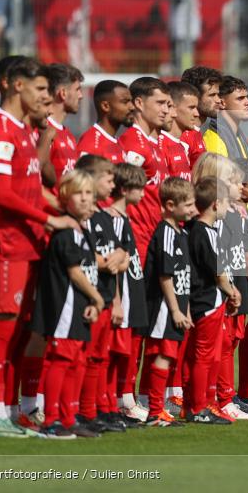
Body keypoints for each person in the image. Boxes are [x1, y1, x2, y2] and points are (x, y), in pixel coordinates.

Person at [0, 57, 77, 438]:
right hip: (5, 243)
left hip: (28, 242)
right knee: (0, 329)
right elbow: (2, 195)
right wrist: (50, 218)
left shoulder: (22, 131)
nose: (45, 99)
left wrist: (69, 212)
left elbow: (32, 190)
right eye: (40, 91)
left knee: (19, 331)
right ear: (17, 86)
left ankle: (10, 410)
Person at [32, 170, 104, 440]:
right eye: (78, 193)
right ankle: (51, 421)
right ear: (64, 197)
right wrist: (96, 297)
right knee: (60, 361)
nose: (85, 199)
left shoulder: (82, 230)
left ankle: (68, 418)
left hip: (80, 305)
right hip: (65, 305)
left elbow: (89, 270)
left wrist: (93, 302)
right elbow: (75, 273)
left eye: (89, 193)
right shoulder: (67, 231)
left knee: (76, 362)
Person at [75, 155, 129, 434]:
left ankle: (92, 410)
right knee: (85, 357)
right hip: (89, 299)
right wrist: (111, 259)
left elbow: (121, 255)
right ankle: (81, 412)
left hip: (107, 298)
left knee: (99, 357)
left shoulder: (104, 216)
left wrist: (119, 258)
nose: (113, 183)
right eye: (108, 178)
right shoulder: (82, 219)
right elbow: (88, 256)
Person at [182, 177, 240, 424]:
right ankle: (197, 407)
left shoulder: (206, 230)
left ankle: (204, 403)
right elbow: (215, 271)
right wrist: (231, 291)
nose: (229, 207)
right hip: (205, 301)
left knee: (211, 356)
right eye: (226, 202)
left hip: (213, 301)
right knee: (203, 356)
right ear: (216, 204)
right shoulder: (201, 231)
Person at [142, 177, 197, 427]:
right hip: (164, 307)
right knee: (162, 355)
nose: (192, 209)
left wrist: (185, 309)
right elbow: (165, 275)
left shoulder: (182, 232)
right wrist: (175, 309)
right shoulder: (165, 231)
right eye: (188, 205)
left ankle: (159, 409)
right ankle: (154, 411)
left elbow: (183, 276)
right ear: (171, 205)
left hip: (177, 306)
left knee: (169, 356)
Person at [216, 160, 248, 419]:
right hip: (231, 281)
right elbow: (238, 253)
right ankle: (223, 396)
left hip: (242, 280)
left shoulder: (244, 212)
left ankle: (227, 394)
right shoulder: (228, 213)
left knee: (234, 339)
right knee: (225, 341)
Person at [103, 163, 151, 423]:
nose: (144, 194)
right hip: (122, 296)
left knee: (129, 350)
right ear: (124, 189)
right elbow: (115, 266)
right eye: (139, 188)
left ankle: (123, 401)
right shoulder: (112, 219)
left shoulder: (124, 218)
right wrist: (117, 301)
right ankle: (111, 403)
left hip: (133, 291)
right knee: (115, 351)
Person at [119, 77, 172, 262]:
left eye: (167, 104)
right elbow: (120, 191)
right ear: (139, 103)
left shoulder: (154, 143)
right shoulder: (133, 143)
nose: (165, 110)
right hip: (138, 241)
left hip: (155, 238)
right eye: (160, 103)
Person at [38, 63, 84, 189]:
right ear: (63, 93)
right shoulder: (41, 130)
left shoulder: (67, 134)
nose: (81, 96)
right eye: (77, 89)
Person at [77, 80, 134, 164]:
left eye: (131, 101)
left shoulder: (116, 141)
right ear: (105, 106)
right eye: (125, 102)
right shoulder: (92, 145)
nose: (132, 107)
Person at [204, 75, 248, 163]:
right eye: (240, 98)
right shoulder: (215, 139)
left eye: (247, 97)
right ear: (222, 103)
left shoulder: (238, 136)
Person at [181, 66, 222, 167]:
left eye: (218, 94)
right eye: (212, 95)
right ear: (195, 97)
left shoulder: (197, 133)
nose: (218, 100)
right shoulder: (183, 137)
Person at [161, 81, 201, 180]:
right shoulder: (161, 145)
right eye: (191, 108)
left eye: (196, 108)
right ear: (173, 108)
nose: (196, 114)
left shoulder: (183, 146)